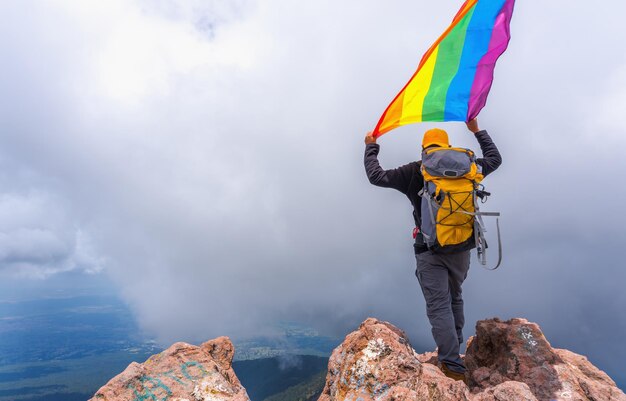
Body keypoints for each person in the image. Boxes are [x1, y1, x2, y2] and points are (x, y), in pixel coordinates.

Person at [363, 118, 502, 383]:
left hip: (429, 250)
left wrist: (372, 146)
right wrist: (477, 130)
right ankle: (455, 351)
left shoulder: (417, 170)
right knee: (455, 297)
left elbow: (376, 176)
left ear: (424, 148)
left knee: (439, 305)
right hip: (462, 246)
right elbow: (495, 159)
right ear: (447, 146)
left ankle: (451, 364)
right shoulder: (469, 166)